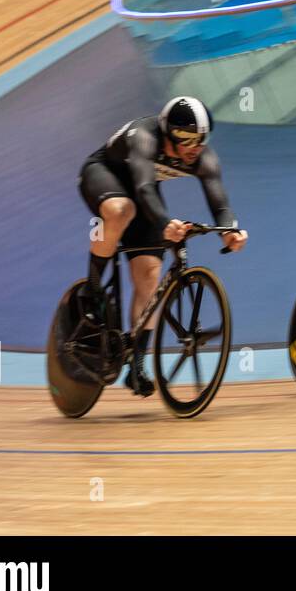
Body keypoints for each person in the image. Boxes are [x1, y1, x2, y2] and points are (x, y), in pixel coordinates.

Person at [77, 96, 247, 397]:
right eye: (184, 138)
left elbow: (220, 203)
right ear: (167, 133)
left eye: (200, 139)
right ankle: (92, 288)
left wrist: (230, 232)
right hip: (104, 175)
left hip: (144, 192)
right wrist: (166, 222)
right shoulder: (145, 137)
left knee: (149, 277)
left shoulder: (204, 158)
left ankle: (137, 365)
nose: (193, 147)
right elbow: (143, 187)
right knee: (121, 210)